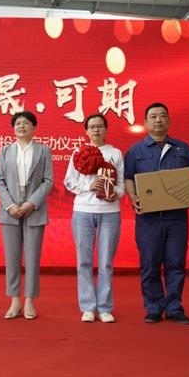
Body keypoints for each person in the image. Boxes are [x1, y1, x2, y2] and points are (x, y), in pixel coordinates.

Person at [124, 102, 189, 325]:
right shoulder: (135, 151)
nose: (158, 120)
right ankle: (154, 307)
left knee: (176, 263)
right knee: (150, 264)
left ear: (169, 120)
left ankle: (174, 307)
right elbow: (128, 178)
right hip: (148, 219)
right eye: (153, 117)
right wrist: (133, 197)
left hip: (177, 218)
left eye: (163, 116)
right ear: (145, 122)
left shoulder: (183, 148)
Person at [63, 114, 124, 323]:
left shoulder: (115, 153)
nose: (96, 130)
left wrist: (116, 193)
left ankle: (105, 308)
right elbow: (69, 182)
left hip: (110, 212)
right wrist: (87, 186)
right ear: (86, 131)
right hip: (83, 211)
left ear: (106, 129)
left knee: (106, 262)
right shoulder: (78, 152)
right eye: (92, 127)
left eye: (100, 126)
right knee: (84, 261)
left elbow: (121, 183)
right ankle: (88, 307)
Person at [0, 111, 53, 320]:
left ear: (34, 127)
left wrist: (31, 203)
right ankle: (14, 300)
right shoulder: (5, 150)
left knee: (32, 257)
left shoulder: (43, 150)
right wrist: (10, 205)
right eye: (17, 123)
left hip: (34, 210)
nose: (21, 126)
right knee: (11, 258)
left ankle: (29, 300)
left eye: (26, 123)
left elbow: (48, 181)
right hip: (9, 211)